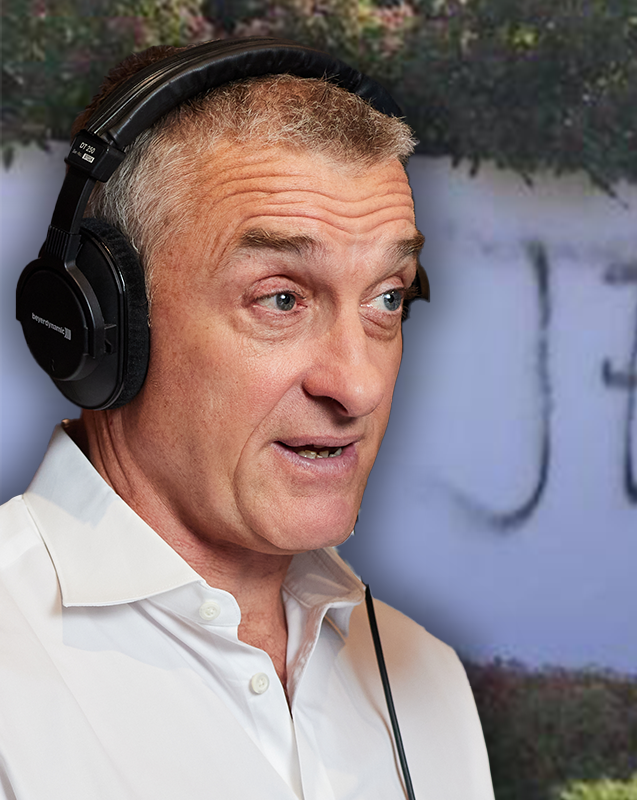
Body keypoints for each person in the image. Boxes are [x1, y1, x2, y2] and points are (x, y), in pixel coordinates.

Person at [0, 40, 494, 799]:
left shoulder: (426, 678)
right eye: (281, 299)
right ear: (106, 328)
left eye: (387, 298)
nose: (358, 386)